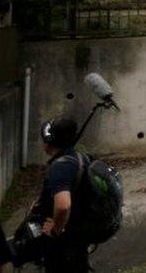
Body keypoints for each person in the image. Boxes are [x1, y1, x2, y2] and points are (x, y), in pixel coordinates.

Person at [31, 117, 90, 273]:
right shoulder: (78, 157)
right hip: (78, 233)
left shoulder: (61, 167)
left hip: (64, 242)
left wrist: (56, 228)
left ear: (49, 143)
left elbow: (63, 205)